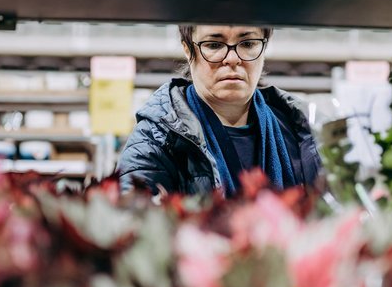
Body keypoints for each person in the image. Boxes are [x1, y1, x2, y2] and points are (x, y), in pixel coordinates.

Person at [116, 24, 323, 196]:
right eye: (214, 44)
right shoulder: (155, 142)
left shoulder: (305, 131)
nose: (232, 59)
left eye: (248, 43)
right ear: (188, 50)